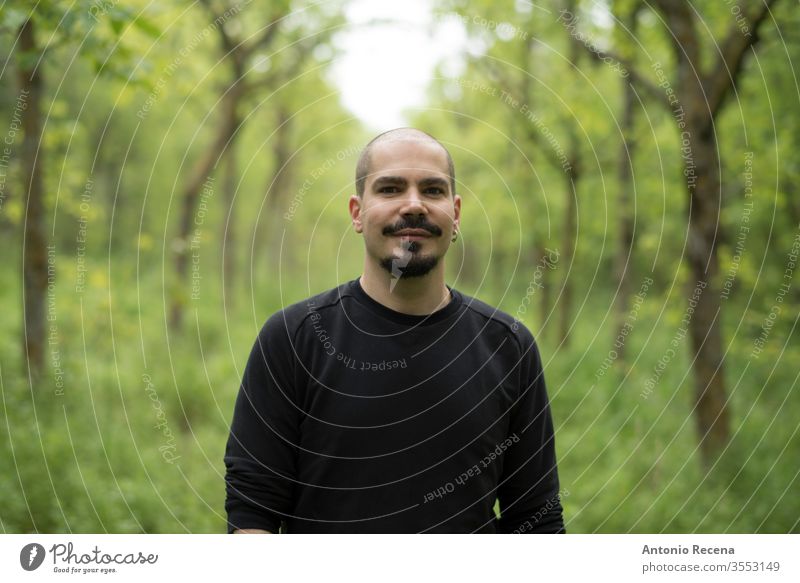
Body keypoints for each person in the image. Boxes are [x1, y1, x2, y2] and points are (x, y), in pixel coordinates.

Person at [224, 128, 564, 533]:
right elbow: (253, 514)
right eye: (390, 189)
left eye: (433, 190)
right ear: (357, 212)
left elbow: (536, 519)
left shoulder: (508, 346)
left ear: (455, 214)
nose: (414, 205)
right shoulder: (293, 338)